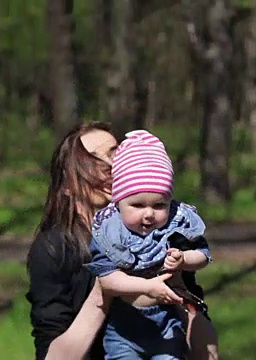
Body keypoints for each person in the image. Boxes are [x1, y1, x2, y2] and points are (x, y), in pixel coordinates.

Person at [26, 122, 219, 360]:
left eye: (115, 153)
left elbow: (207, 353)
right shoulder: (54, 249)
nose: (110, 166)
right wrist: (103, 290)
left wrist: (179, 289)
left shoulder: (162, 231)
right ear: (67, 185)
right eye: (93, 160)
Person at [86, 130, 212, 359]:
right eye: (137, 205)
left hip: (168, 329)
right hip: (124, 332)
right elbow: (107, 279)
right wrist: (147, 287)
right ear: (118, 202)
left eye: (158, 205)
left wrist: (184, 259)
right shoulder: (110, 231)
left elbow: (203, 255)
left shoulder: (176, 224)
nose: (148, 215)